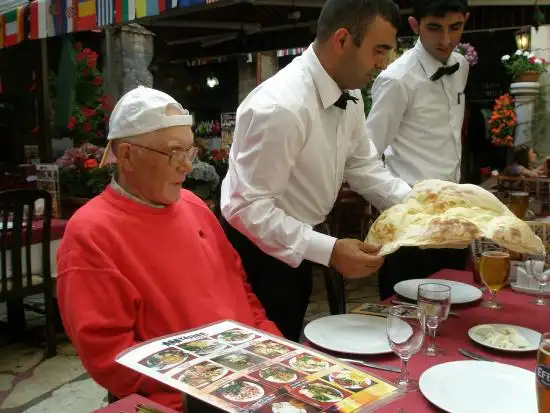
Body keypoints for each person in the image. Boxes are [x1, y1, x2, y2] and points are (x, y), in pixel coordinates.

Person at [56, 86, 281, 411]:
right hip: (188, 399)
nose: (187, 167)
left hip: (258, 377)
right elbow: (111, 360)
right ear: (128, 155)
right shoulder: (91, 232)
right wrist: (213, 384)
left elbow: (240, 291)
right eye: (174, 153)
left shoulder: (193, 205)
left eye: (190, 152)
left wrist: (275, 347)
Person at [220, 0, 411, 342]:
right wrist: (330, 250)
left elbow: (363, 165)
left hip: (301, 236)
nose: (384, 64)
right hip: (254, 253)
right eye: (379, 50)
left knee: (289, 338)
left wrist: (420, 206)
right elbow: (245, 208)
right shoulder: (281, 107)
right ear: (341, 40)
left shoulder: (349, 90)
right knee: (262, 352)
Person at [366, 0, 470, 300]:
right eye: (435, 28)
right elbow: (367, 154)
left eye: (455, 27)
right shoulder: (396, 79)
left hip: (452, 218)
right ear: (415, 25)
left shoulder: (461, 65)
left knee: (453, 312)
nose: (446, 40)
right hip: (409, 221)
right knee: (405, 318)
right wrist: (406, 203)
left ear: (465, 20)